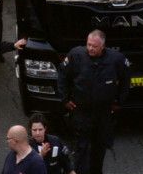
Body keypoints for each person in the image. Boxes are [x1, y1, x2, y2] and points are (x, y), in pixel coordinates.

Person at [54, 30, 128, 174]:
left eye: (94, 46)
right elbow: (62, 75)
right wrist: (65, 99)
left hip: (103, 113)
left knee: (99, 147)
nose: (90, 48)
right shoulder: (76, 55)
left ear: (103, 46)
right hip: (82, 111)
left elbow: (125, 80)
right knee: (81, 147)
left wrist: (119, 101)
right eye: (88, 45)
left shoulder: (116, 59)